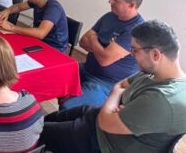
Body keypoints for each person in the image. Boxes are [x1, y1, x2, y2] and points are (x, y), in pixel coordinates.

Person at [39, 20, 186, 153]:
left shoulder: (163, 99)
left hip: (102, 141)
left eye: (135, 50)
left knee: (36, 132)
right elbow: (121, 84)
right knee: (45, 120)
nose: (132, 55)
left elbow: (106, 123)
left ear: (155, 55)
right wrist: (121, 104)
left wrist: (118, 101)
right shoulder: (154, 72)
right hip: (97, 116)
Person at [60, 0, 145, 110]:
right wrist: (102, 48)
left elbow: (104, 60)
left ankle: (63, 126)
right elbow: (83, 41)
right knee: (53, 77)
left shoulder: (136, 30)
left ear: (131, 5)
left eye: (115, 0)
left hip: (107, 83)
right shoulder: (109, 17)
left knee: (68, 106)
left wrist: (94, 39)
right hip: (87, 68)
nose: (110, 2)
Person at [0, 0, 68, 52]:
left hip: (54, 47)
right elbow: (18, 7)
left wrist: (12, 28)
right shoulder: (37, 1)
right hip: (40, 40)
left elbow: (41, 33)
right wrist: (7, 11)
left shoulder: (53, 9)